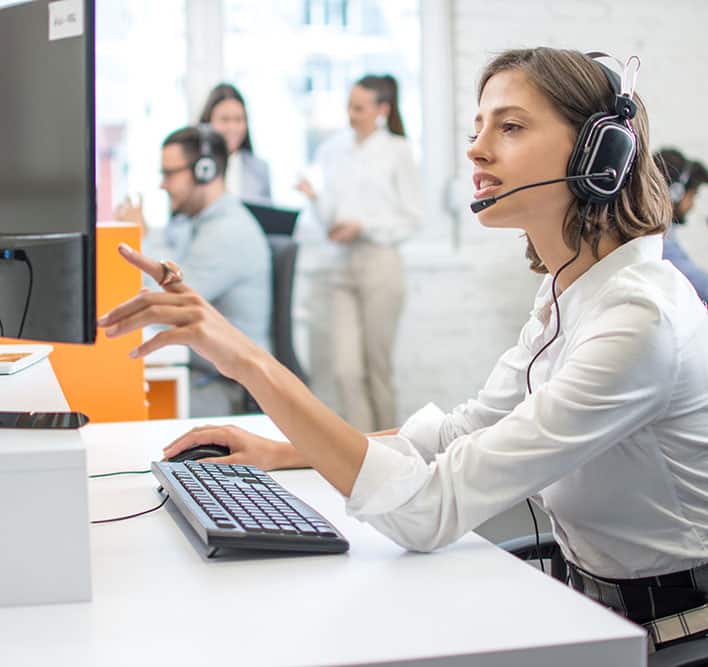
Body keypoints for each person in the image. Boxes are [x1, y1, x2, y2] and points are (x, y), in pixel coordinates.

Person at [100, 48, 707, 653]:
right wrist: (284, 451)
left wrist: (249, 363)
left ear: (600, 155)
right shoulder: (567, 292)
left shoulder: (638, 319)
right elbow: (456, 434)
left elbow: (428, 511)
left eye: (510, 126)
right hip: (595, 611)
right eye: (478, 129)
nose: (476, 149)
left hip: (673, 631)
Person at [115, 125, 272, 416]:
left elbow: (169, 309)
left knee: (126, 406)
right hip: (200, 370)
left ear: (205, 170)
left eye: (169, 174)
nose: (162, 184)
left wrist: (139, 236)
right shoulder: (195, 225)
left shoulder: (228, 232)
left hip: (226, 387)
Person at [296, 74, 422, 432]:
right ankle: (362, 452)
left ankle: (392, 452)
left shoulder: (399, 151)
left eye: (360, 108)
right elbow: (329, 219)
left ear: (382, 110)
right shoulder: (332, 150)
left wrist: (363, 226)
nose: (351, 114)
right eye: (349, 107)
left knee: (377, 370)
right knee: (345, 371)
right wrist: (315, 200)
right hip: (342, 265)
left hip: (380, 263)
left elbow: (412, 218)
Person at [199, 83, 271, 204]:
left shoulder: (260, 168)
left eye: (238, 120)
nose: (232, 128)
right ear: (208, 122)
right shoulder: (196, 166)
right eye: (224, 119)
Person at [653, 147, 708, 302]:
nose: (692, 205)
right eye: (693, 195)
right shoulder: (659, 238)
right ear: (675, 192)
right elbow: (702, 288)